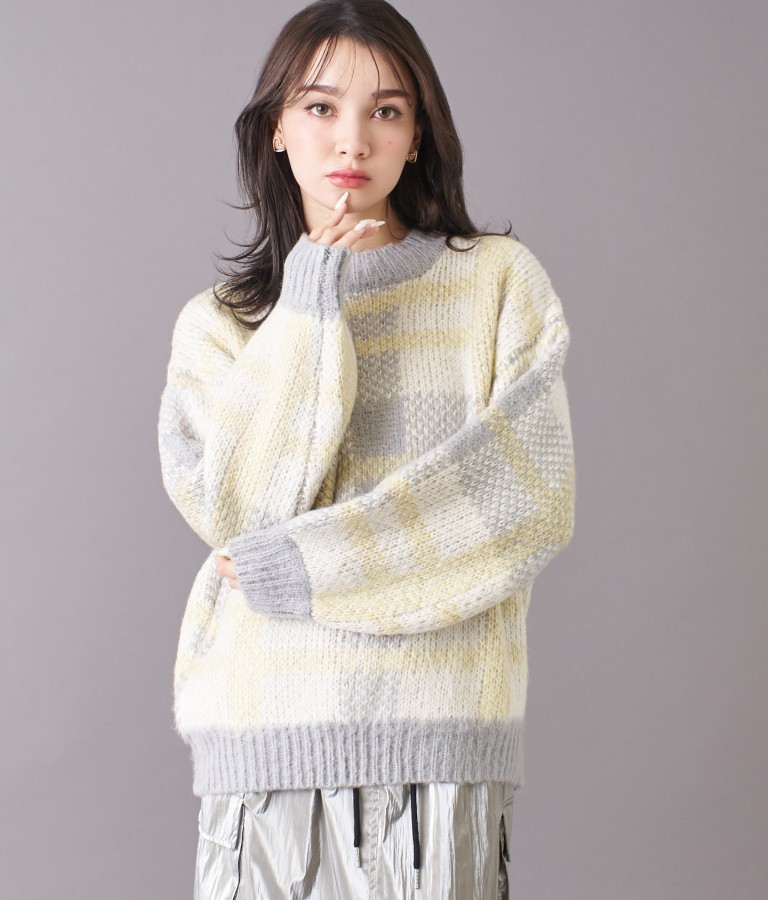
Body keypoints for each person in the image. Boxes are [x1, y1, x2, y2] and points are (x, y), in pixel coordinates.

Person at [157, 0, 576, 897]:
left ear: (418, 134)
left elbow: (524, 501)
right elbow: (239, 513)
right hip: (262, 742)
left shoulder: (496, 284)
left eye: (386, 110)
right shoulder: (219, 326)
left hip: (441, 742)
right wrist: (310, 299)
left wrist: (301, 569)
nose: (353, 138)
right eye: (320, 106)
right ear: (276, 127)